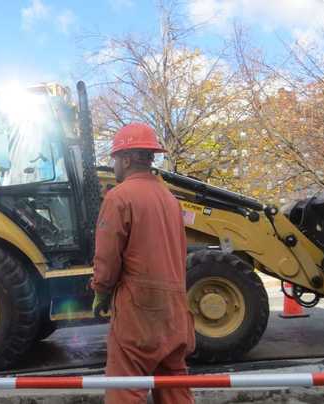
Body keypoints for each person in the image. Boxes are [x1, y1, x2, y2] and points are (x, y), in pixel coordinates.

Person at [90, 123, 195, 404]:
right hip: (173, 312)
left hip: (138, 312)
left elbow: (107, 257)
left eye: (114, 159)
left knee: (125, 389)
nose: (113, 166)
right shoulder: (171, 200)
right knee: (175, 389)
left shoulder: (118, 197)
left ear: (126, 159)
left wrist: (101, 292)